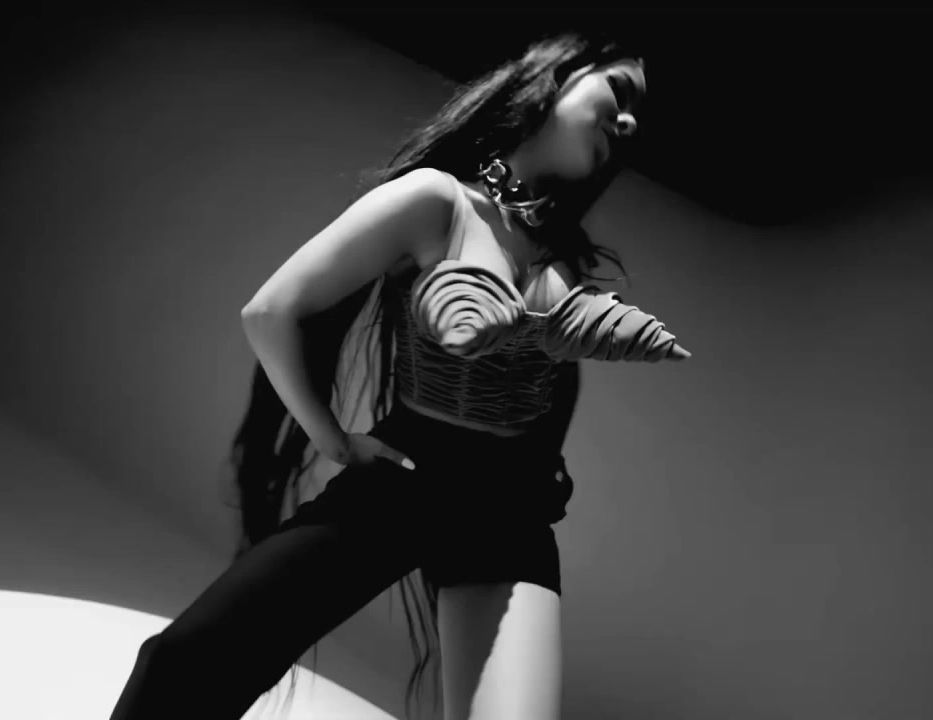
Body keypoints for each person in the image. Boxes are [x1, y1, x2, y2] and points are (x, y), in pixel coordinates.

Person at [110, 32, 688, 720]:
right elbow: (272, 311)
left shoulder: (561, 254)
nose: (628, 123)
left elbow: (549, 380)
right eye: (619, 91)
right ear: (554, 77)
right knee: (184, 664)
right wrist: (333, 440)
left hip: (511, 513)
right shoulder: (438, 200)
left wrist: (544, 465)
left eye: (637, 117)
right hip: (411, 475)